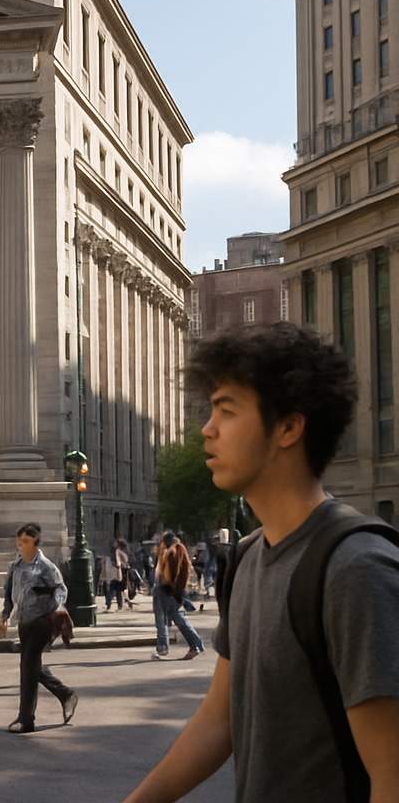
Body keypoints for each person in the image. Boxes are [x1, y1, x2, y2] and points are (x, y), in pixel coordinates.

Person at [123, 323, 399, 803]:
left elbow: (392, 774)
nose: (207, 429)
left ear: (289, 427)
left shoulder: (356, 569)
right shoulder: (249, 556)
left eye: (227, 411)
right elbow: (220, 718)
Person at [0, 522, 78, 734]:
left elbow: (60, 588)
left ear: (35, 542)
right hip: (24, 621)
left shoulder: (46, 567)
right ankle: (65, 694)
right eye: (19, 541)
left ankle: (26, 719)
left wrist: (59, 606)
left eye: (26, 541)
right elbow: (8, 594)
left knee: (27, 666)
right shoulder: (15, 566)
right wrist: (4, 616)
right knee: (32, 666)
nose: (21, 545)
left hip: (43, 620)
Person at [151, 531, 204, 660]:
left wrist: (173, 588)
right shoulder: (177, 549)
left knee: (162, 618)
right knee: (179, 619)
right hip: (173, 590)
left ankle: (163, 647)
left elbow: (175, 571)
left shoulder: (174, 550)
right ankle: (196, 645)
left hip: (167, 589)